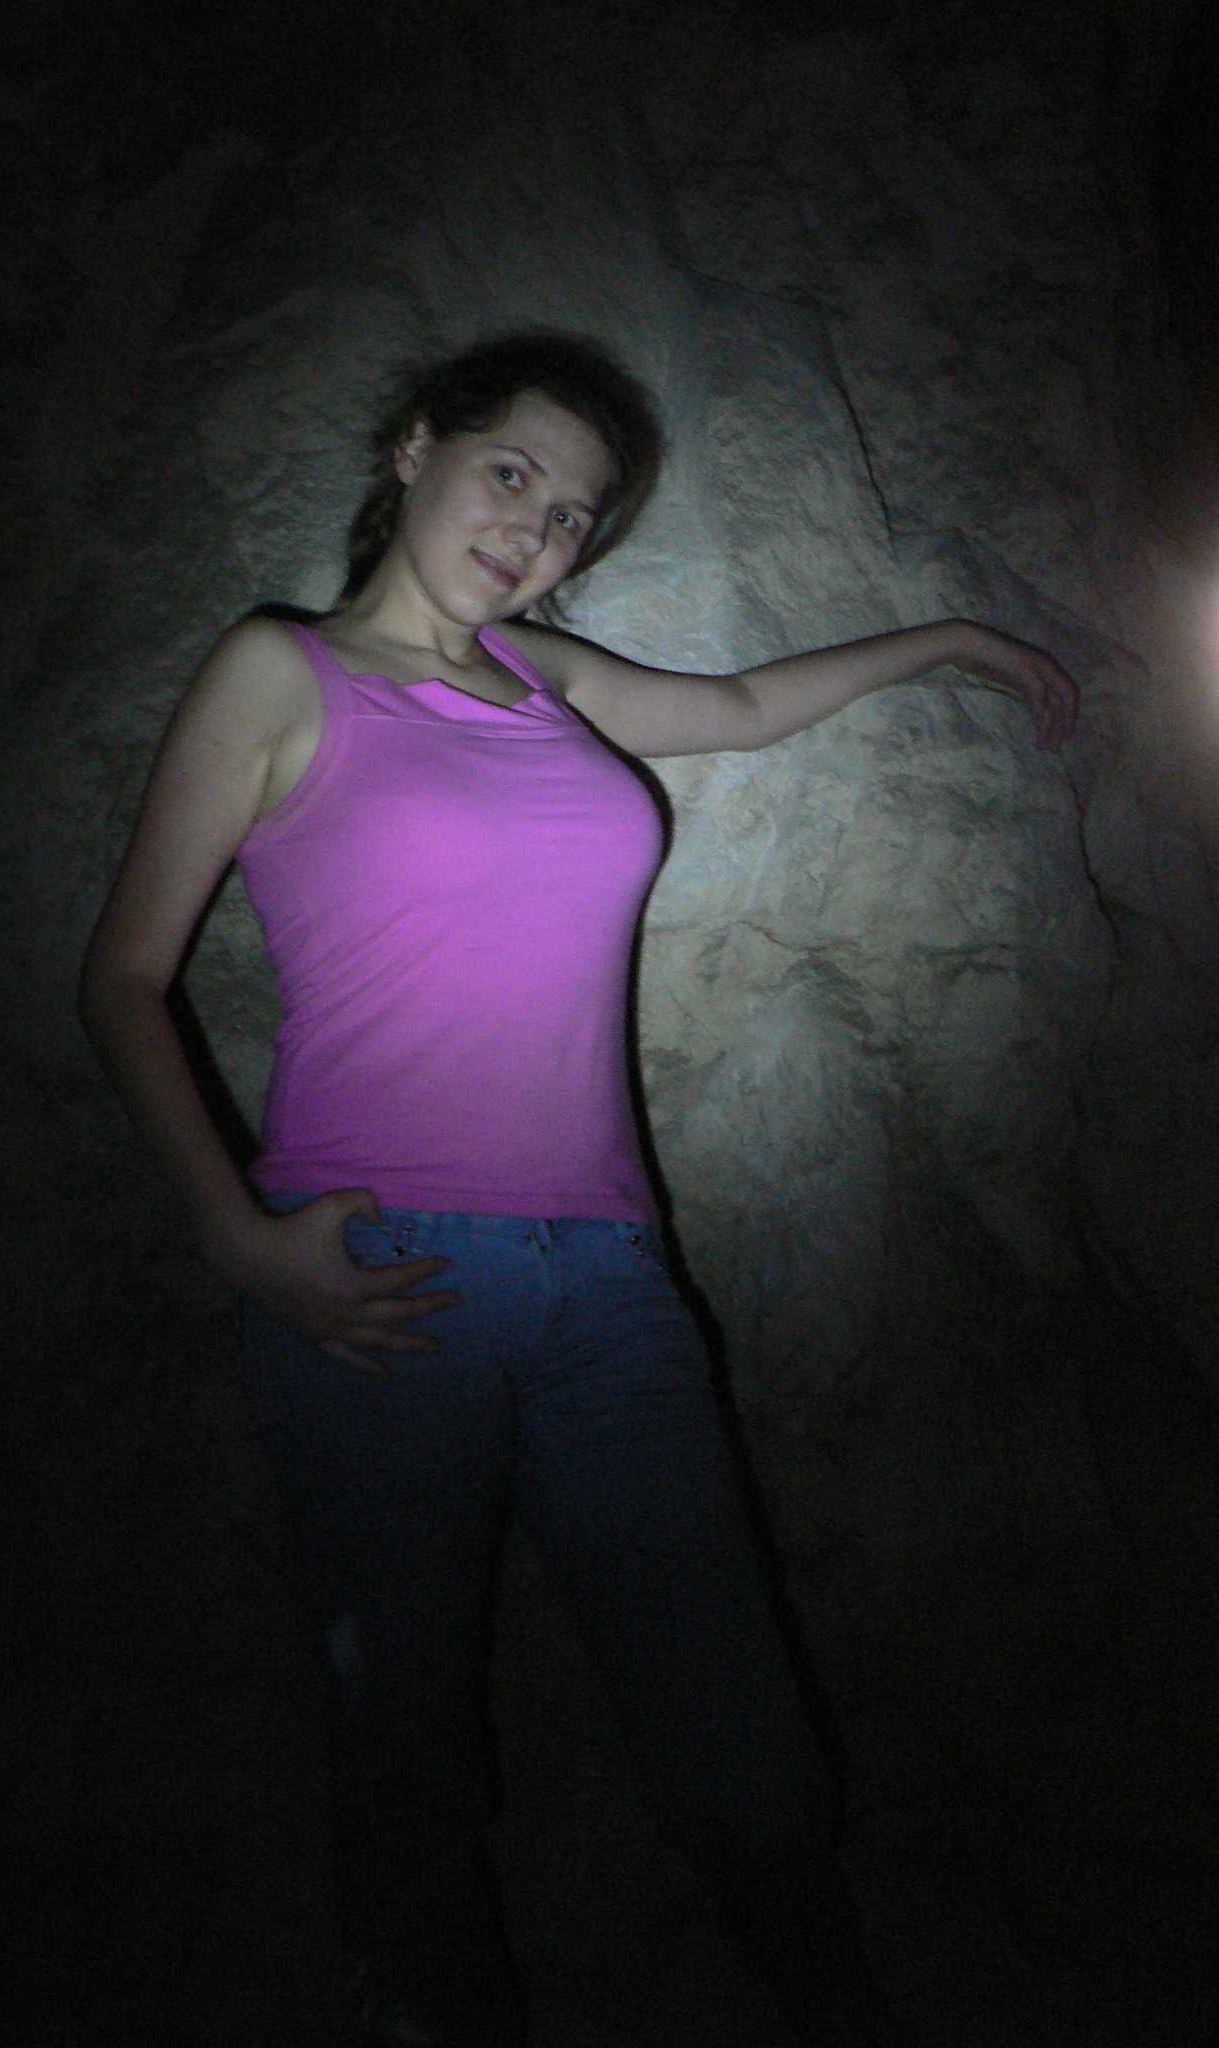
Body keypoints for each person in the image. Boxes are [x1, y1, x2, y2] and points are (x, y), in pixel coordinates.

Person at [78, 333, 1077, 2047]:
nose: (535, 529)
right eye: (513, 474)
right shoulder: (281, 670)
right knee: (406, 1750)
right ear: (415, 447)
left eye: (571, 516)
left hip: (612, 1283)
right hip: (385, 1275)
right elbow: (121, 976)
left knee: (744, 1749)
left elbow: (739, 712)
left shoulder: (539, 673)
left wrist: (955, 641)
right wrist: (240, 1242)